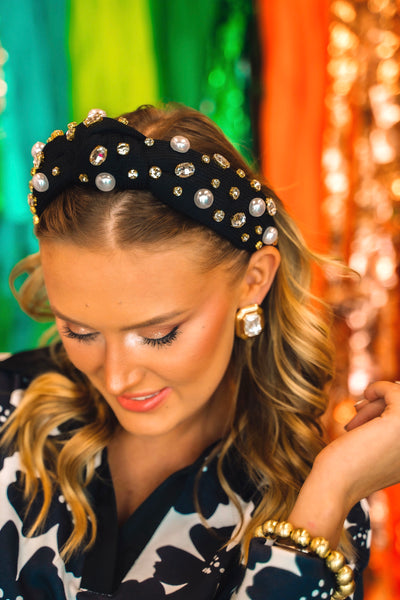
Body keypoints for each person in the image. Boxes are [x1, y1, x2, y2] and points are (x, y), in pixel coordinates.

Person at [0, 104, 399, 600]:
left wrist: (329, 495)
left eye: (159, 333)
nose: (119, 377)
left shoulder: (312, 501)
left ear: (254, 281)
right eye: (79, 330)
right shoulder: (7, 413)